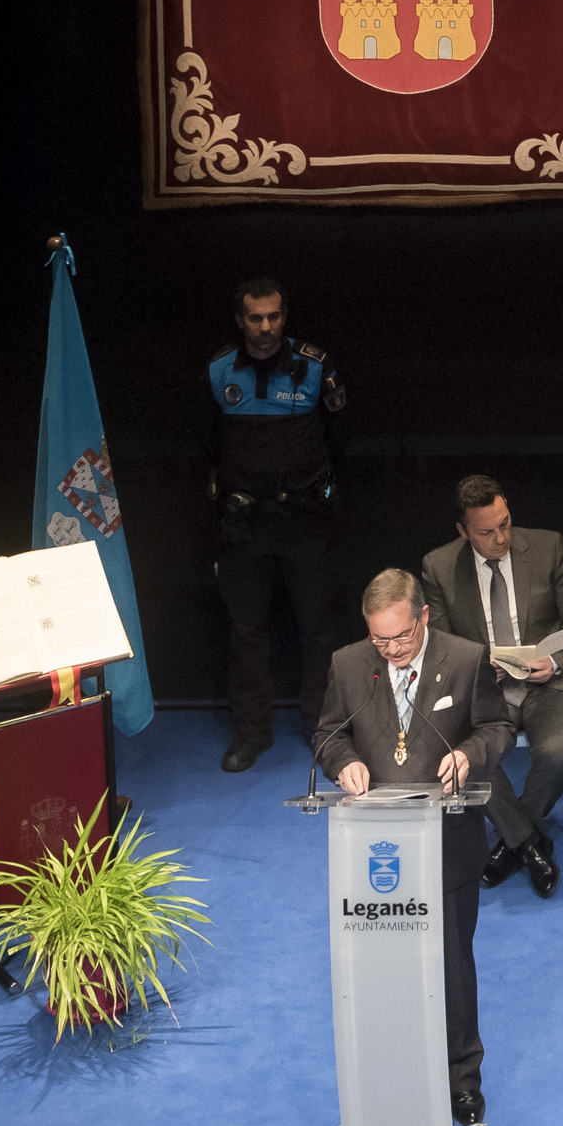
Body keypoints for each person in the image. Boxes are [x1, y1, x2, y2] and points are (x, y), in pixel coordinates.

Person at [313, 569, 512, 1126]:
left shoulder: (466, 659)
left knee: (451, 967)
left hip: (447, 842)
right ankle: (389, 1077)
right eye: (380, 640)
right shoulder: (349, 664)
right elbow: (329, 733)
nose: (393, 650)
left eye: (402, 637)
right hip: (374, 847)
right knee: (379, 967)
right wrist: (343, 762)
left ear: (424, 616)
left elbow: (498, 726)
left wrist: (470, 755)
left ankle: (461, 1081)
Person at [421, 475, 563, 899]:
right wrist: (478, 668)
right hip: (486, 689)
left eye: (505, 523)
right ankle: (529, 844)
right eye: (486, 532)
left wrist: (553, 661)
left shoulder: (548, 547)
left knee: (558, 753)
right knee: (464, 758)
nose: (501, 537)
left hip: (550, 680)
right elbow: (440, 646)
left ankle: (510, 842)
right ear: (463, 532)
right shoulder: (439, 567)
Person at [206, 276, 350, 774]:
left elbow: (341, 438)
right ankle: (251, 733)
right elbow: (205, 441)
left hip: (305, 521)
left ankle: (324, 729)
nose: (265, 327)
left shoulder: (314, 366)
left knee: (318, 630)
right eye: (255, 318)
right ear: (240, 320)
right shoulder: (219, 370)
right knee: (247, 632)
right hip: (245, 524)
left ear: (284, 318)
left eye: (273, 317)